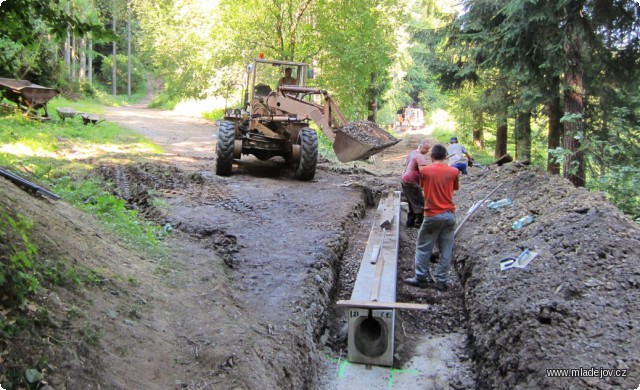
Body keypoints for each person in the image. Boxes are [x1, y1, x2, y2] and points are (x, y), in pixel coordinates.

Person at [404, 144, 459, 292]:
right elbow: (453, 188)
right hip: (449, 215)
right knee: (446, 250)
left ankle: (421, 278)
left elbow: (423, 186)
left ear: (432, 156)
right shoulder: (454, 171)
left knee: (423, 247)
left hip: (432, 215)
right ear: (445, 156)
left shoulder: (426, 171)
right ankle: (441, 281)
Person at [401, 139, 431, 227]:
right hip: (411, 181)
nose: (427, 151)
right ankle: (419, 223)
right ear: (420, 146)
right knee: (420, 202)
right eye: (426, 148)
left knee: (411, 201)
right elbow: (423, 173)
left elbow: (404, 163)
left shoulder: (412, 153)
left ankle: (410, 222)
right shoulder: (420, 156)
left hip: (405, 179)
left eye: (428, 149)